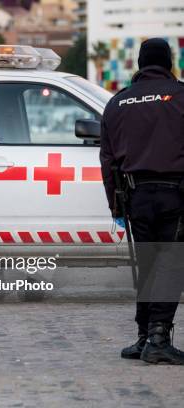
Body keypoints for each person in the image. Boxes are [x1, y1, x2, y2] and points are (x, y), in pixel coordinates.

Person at [100, 38, 184, 365]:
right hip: (176, 195)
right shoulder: (180, 96)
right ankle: (158, 339)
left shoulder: (117, 103)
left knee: (147, 265)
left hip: (135, 196)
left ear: (139, 64)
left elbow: (107, 160)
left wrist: (115, 206)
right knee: (171, 265)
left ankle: (143, 336)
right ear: (168, 63)